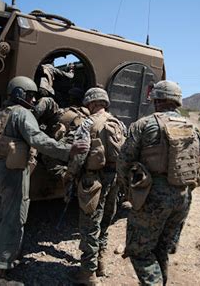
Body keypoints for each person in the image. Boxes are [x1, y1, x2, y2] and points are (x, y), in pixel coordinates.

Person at [0, 76, 88, 284]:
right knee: (13, 220)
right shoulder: (22, 113)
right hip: (13, 172)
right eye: (30, 95)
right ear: (20, 94)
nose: (32, 99)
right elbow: (38, 139)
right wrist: (68, 150)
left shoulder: (1, 113)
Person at [117, 80, 200, 285]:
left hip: (152, 196)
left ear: (156, 100)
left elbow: (124, 160)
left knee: (140, 252)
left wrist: (130, 190)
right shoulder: (193, 127)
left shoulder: (144, 124)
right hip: (183, 197)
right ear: (177, 101)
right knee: (161, 248)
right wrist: (187, 187)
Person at [67, 87, 126, 285]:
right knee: (105, 223)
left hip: (94, 181)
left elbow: (80, 153)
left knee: (89, 226)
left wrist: (71, 174)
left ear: (91, 103)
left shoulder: (88, 123)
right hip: (114, 179)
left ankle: (88, 274)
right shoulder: (118, 123)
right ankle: (100, 264)